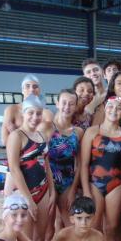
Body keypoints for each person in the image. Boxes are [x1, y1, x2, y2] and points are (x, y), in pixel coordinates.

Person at [80, 95, 121, 241]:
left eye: (118, 108)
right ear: (105, 109)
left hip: (117, 183)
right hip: (95, 183)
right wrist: (86, 190)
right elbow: (84, 164)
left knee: (111, 228)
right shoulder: (92, 131)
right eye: (111, 107)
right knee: (93, 227)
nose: (114, 111)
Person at [5, 95, 54, 241]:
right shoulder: (16, 136)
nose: (35, 117)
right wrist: (29, 200)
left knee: (40, 237)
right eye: (31, 113)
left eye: (38, 113)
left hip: (43, 190)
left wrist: (52, 192)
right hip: (24, 193)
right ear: (23, 114)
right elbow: (14, 168)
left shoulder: (41, 135)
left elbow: (47, 166)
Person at [41, 89, 83, 228]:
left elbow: (80, 164)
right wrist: (51, 190)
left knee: (71, 226)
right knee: (47, 229)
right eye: (64, 103)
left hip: (67, 182)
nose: (67, 107)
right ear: (57, 103)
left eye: (71, 104)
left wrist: (73, 190)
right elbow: (41, 158)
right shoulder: (47, 127)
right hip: (47, 181)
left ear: (76, 106)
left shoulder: (78, 132)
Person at [0, 74, 54, 146]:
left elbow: (47, 141)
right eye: (27, 86)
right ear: (22, 90)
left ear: (39, 91)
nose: (31, 89)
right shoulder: (11, 110)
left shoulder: (47, 113)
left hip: (39, 155)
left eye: (35, 86)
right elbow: (5, 141)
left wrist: (16, 132)